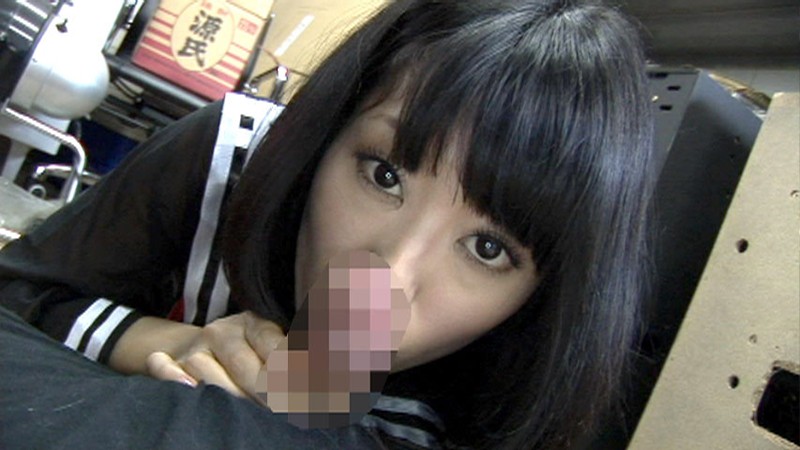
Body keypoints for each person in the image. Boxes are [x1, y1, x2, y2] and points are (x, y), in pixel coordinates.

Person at [0, 0, 655, 448]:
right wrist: (173, 346)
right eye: (385, 174)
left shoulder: (497, 394)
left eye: (486, 247)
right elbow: (23, 290)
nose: (387, 277)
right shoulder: (232, 157)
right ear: (329, 130)